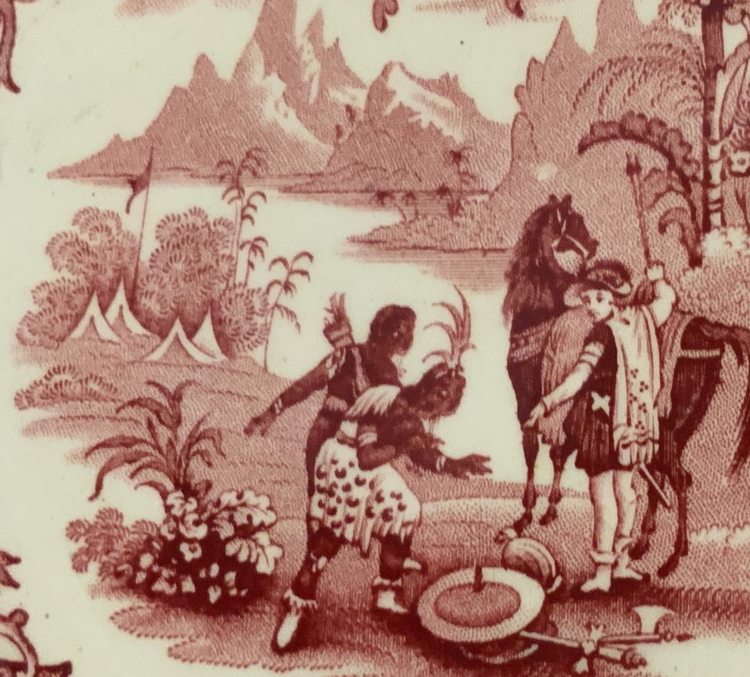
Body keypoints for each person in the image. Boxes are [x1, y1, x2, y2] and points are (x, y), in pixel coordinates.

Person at [272, 359, 492, 653]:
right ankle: (296, 608)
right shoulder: (388, 400)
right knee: (326, 542)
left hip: (374, 468)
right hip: (344, 464)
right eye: (440, 393)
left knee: (404, 510)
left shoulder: (415, 420)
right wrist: (403, 448)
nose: (440, 404)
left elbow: (421, 453)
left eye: (448, 401)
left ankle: (387, 589)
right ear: (426, 385)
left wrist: (454, 464)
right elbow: (366, 457)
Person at [527, 259, 676, 593]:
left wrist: (547, 402)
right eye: (587, 299)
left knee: (610, 495)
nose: (591, 306)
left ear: (614, 300)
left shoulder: (603, 332)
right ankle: (618, 565)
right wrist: (659, 280)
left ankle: (608, 571)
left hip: (602, 423)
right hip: (632, 421)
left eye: (598, 299)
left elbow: (579, 378)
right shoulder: (639, 320)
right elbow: (665, 301)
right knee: (624, 492)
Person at [245, 301, 416, 497]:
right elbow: (304, 386)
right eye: (395, 332)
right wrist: (270, 413)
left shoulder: (390, 378)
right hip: (328, 440)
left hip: (362, 453)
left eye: (402, 336)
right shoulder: (347, 357)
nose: (397, 340)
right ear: (381, 331)